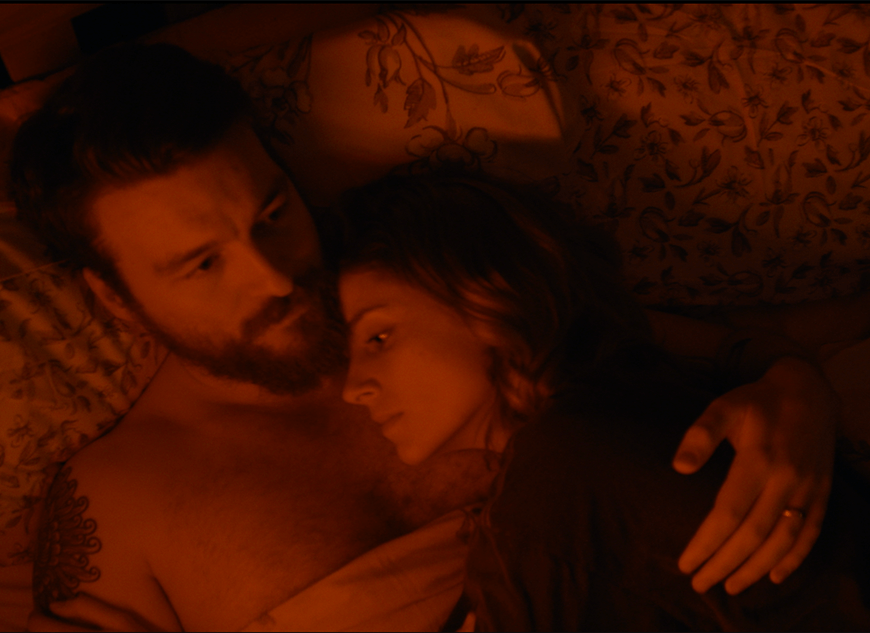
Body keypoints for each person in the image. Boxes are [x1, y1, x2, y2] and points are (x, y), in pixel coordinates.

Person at [9, 42, 843, 630]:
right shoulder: (118, 500)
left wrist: (798, 392)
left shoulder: (424, 288)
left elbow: (676, 351)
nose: (273, 277)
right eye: (201, 264)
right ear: (115, 298)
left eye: (272, 213)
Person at [335, 174, 870, 630]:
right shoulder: (617, 413)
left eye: (379, 337)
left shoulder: (559, 473)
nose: (352, 387)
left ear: (487, 295)